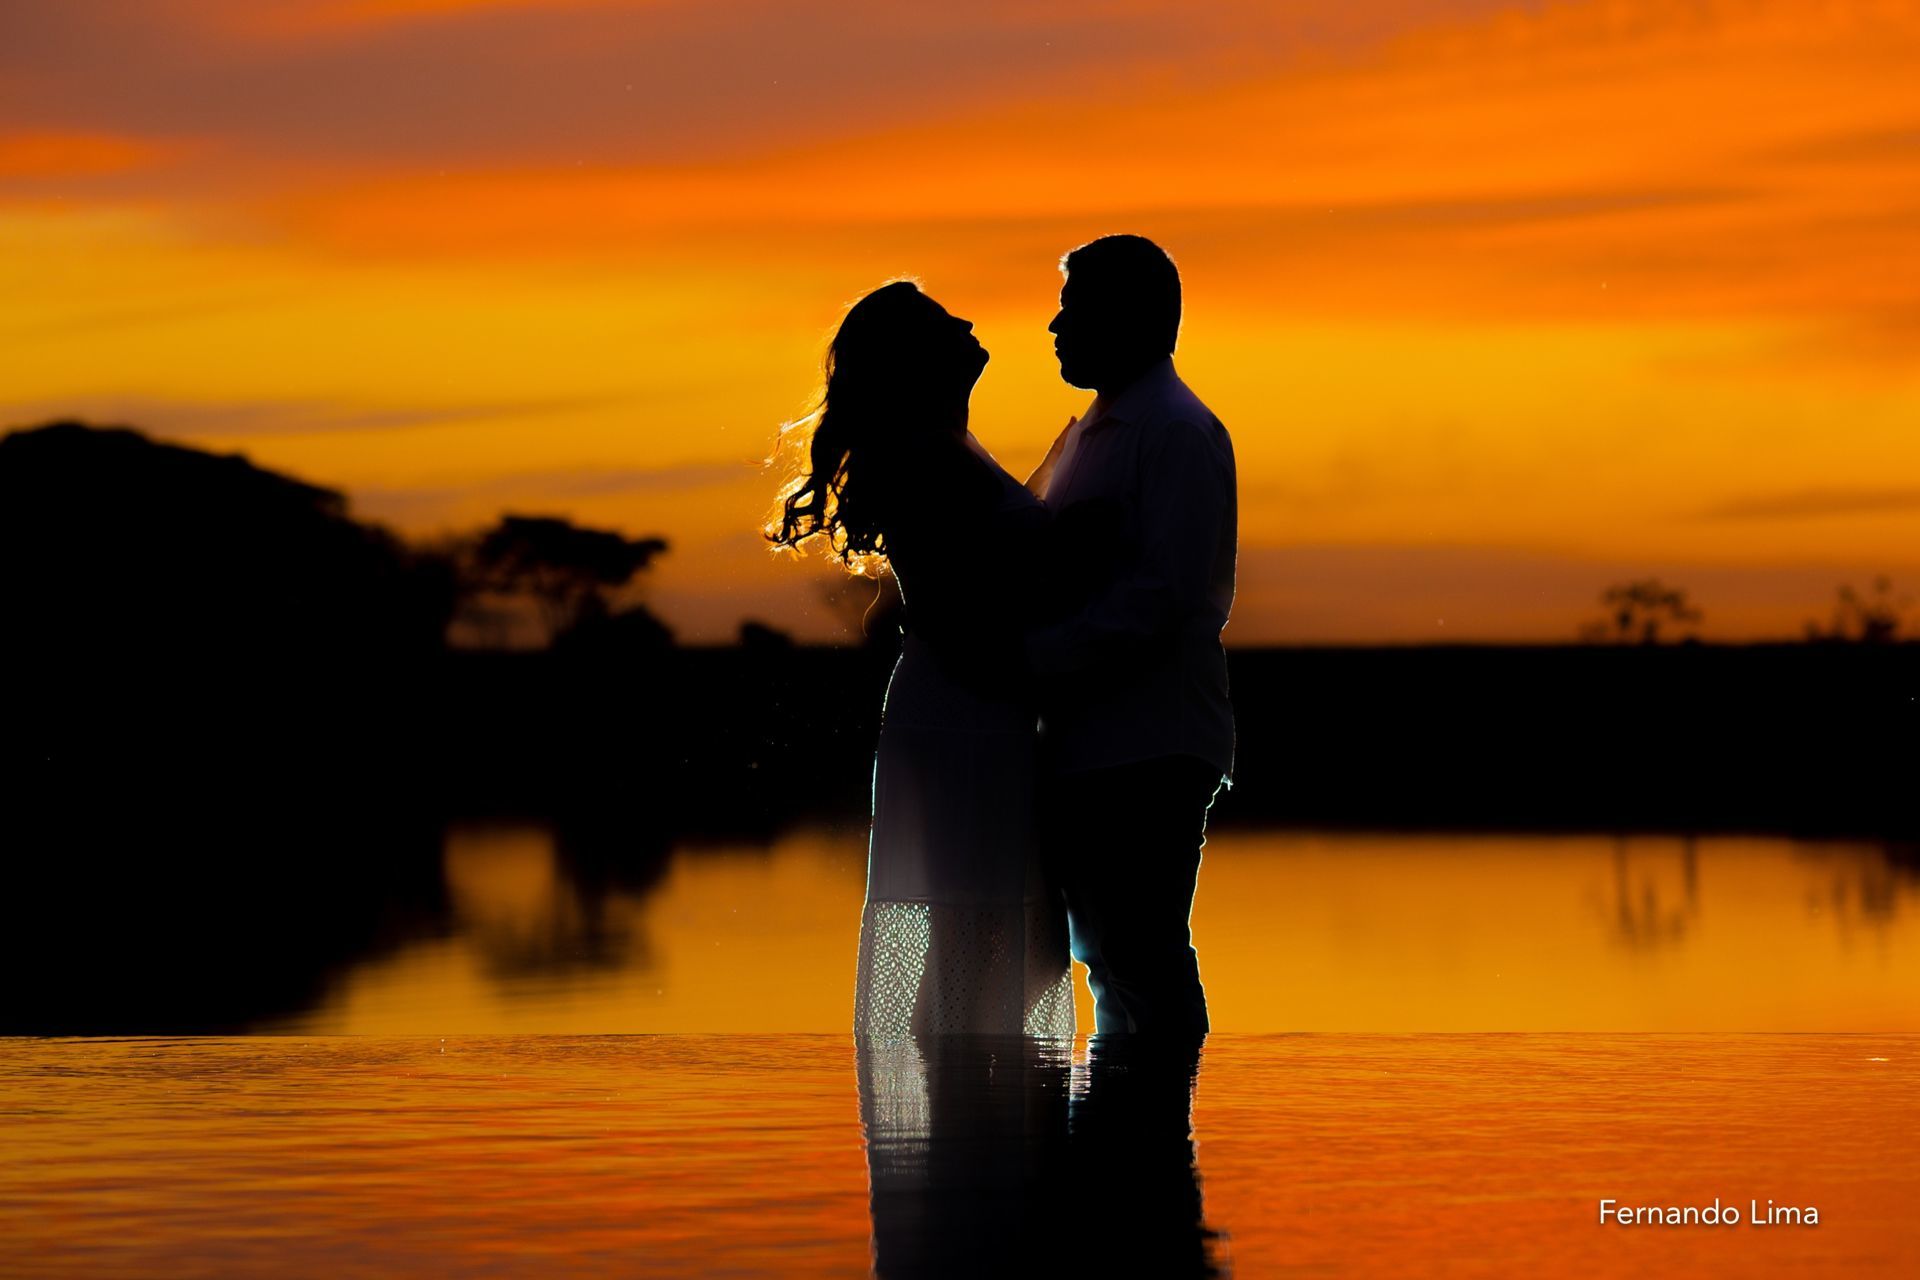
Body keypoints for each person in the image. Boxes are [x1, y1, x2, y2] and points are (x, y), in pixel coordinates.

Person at [768, 280, 1076, 1038]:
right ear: (914, 358)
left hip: (975, 706)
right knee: (983, 932)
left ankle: (981, 1130)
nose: (968, 320)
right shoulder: (923, 456)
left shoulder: (941, 446)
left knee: (1003, 935)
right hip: (965, 711)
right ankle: (966, 1131)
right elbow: (955, 601)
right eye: (944, 320)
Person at [1025, 234, 1237, 1039]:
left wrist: (1035, 660)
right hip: (1095, 744)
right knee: (1112, 955)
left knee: (1141, 950)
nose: (1055, 326)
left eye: (1073, 307)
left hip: (1151, 742)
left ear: (1131, 317)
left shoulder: (1176, 432)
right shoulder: (1091, 436)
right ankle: (1131, 1135)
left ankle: (1156, 1131)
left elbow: (1169, 596)